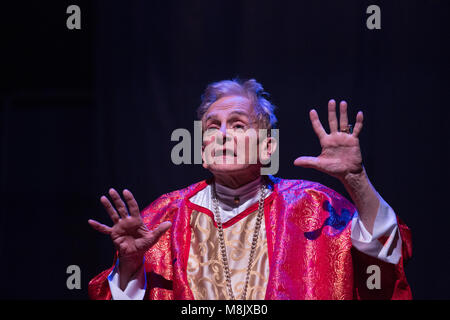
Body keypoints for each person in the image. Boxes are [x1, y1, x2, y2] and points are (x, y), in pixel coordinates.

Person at [88, 79, 412, 300]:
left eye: (238, 125)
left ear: (267, 148)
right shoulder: (163, 216)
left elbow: (383, 257)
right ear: (202, 149)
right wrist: (129, 266)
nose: (223, 134)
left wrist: (355, 180)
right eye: (213, 126)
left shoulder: (315, 205)